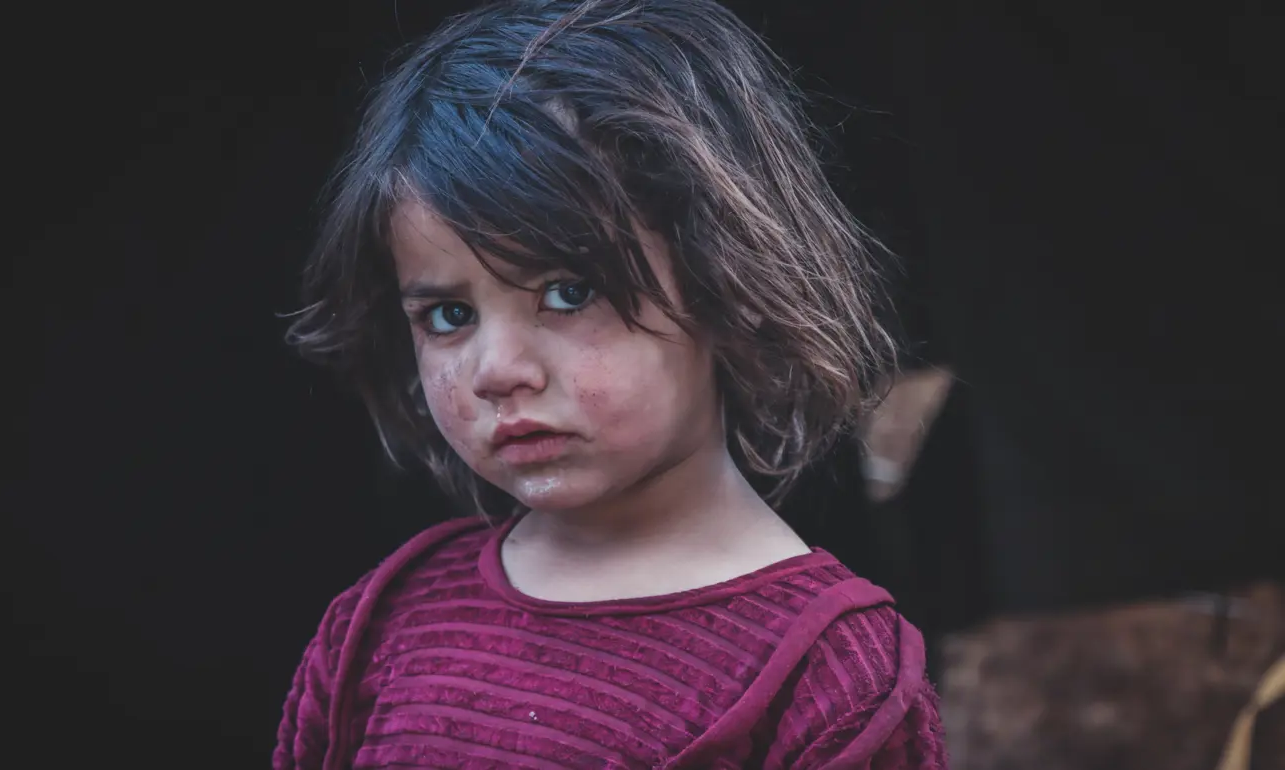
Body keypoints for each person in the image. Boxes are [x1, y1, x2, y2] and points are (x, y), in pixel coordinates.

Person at [274, 1, 947, 767]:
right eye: (450, 314)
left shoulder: (826, 674)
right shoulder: (386, 620)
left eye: (568, 292)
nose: (497, 370)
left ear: (733, 280)